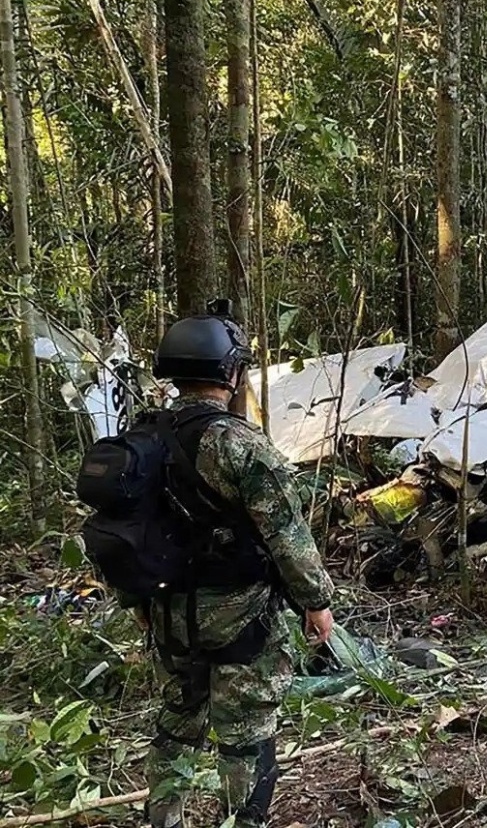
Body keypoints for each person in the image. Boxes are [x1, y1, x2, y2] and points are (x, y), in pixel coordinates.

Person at [118, 307, 336, 828]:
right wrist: (317, 602)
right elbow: (288, 533)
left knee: (178, 722)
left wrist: (138, 603)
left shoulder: (142, 438)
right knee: (246, 735)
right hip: (240, 619)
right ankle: (245, 821)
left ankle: (163, 818)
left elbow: (122, 530)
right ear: (230, 373)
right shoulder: (237, 442)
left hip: (168, 613)